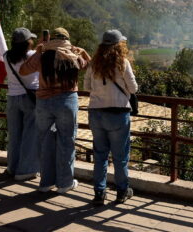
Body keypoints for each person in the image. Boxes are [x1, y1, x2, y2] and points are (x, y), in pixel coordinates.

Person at [20, 27, 90, 193]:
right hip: (67, 101)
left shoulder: (44, 56)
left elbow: (23, 70)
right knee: (67, 141)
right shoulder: (73, 57)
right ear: (67, 39)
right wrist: (84, 52)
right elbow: (90, 65)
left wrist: (38, 51)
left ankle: (46, 182)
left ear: (50, 40)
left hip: (43, 102)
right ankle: (65, 183)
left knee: (45, 141)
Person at [84, 29, 138, 205]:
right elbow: (133, 88)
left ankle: (99, 193)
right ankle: (122, 191)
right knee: (120, 157)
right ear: (119, 45)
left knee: (100, 155)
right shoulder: (123, 63)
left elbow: (86, 87)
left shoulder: (94, 64)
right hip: (118, 113)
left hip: (97, 112)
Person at [3, 28, 40, 180]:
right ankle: (26, 170)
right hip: (29, 98)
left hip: (12, 97)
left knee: (14, 135)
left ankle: (12, 167)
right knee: (30, 135)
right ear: (27, 42)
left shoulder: (6, 56)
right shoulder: (32, 55)